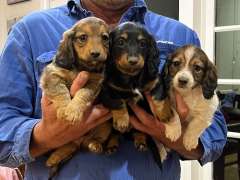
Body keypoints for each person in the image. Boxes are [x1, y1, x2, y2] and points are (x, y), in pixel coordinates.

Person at [0, 0, 227, 179]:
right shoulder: (30, 32)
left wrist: (177, 135)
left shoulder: (181, 36)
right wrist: (45, 135)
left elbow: (214, 131)